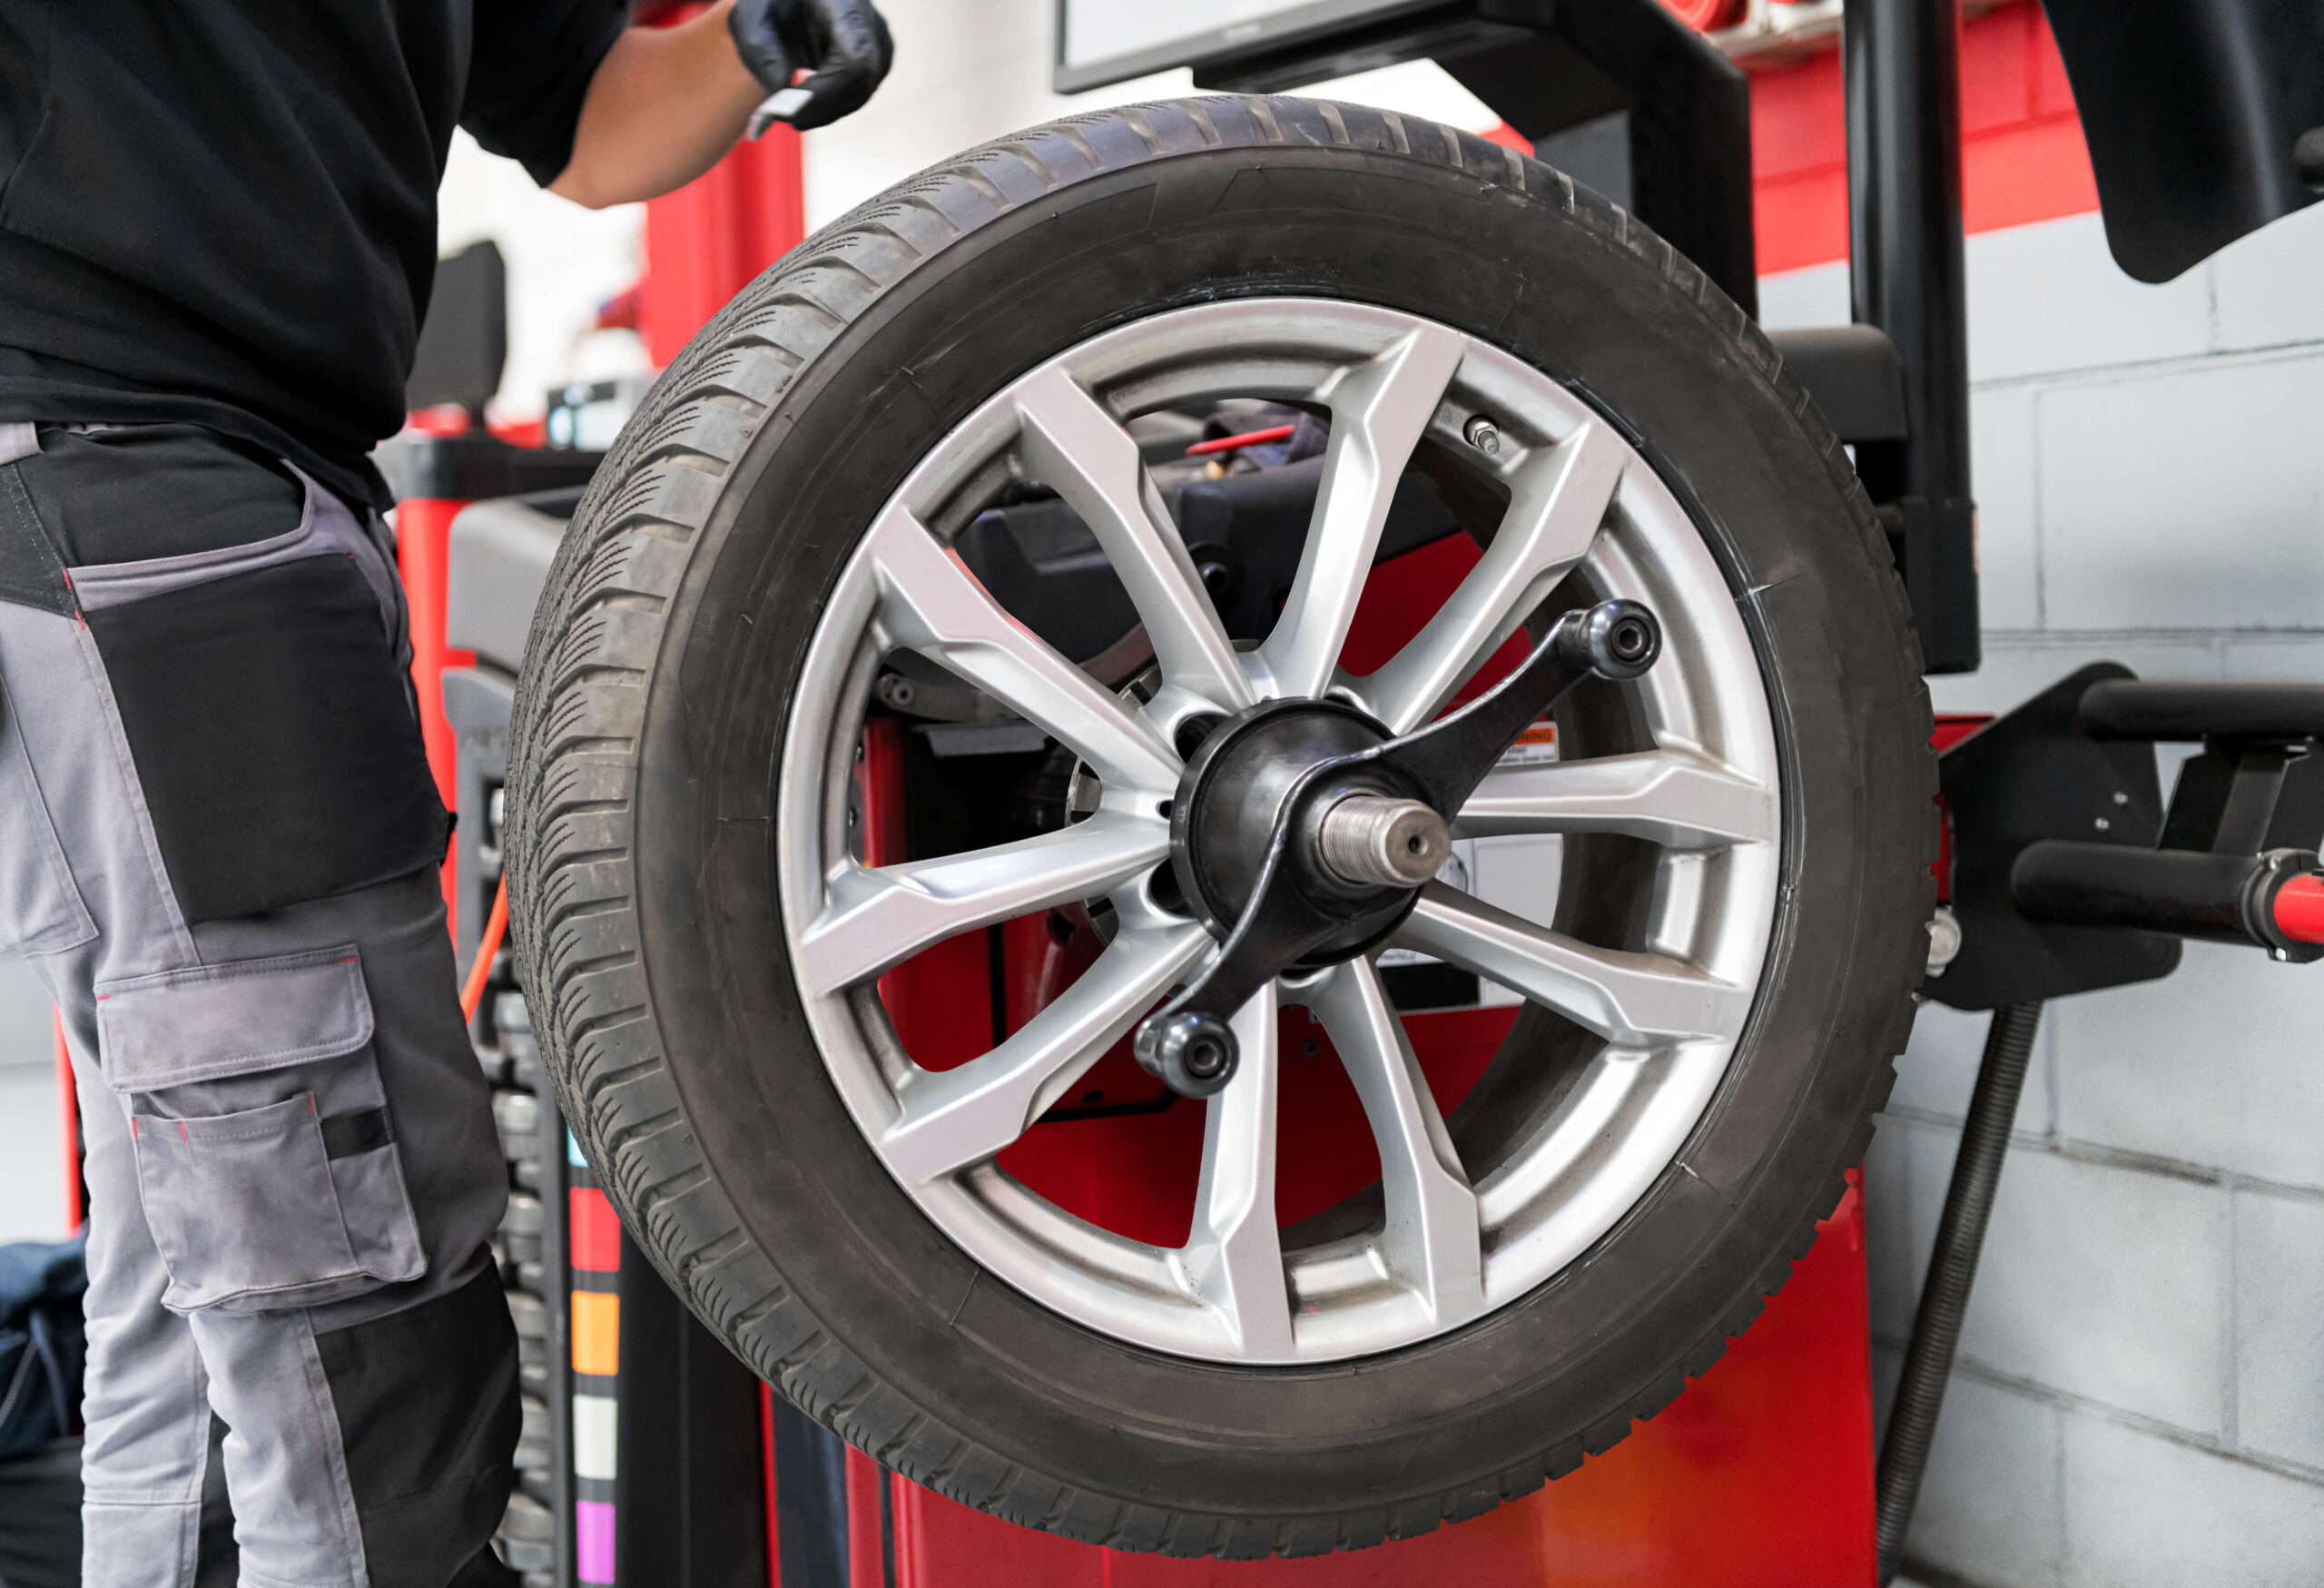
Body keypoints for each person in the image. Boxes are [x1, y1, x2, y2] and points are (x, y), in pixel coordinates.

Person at [0, 2, 891, 1583]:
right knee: (351, 1309)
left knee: (205, 1291)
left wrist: (763, 41)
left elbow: (596, 125)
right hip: (141, 506)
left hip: (214, 509)